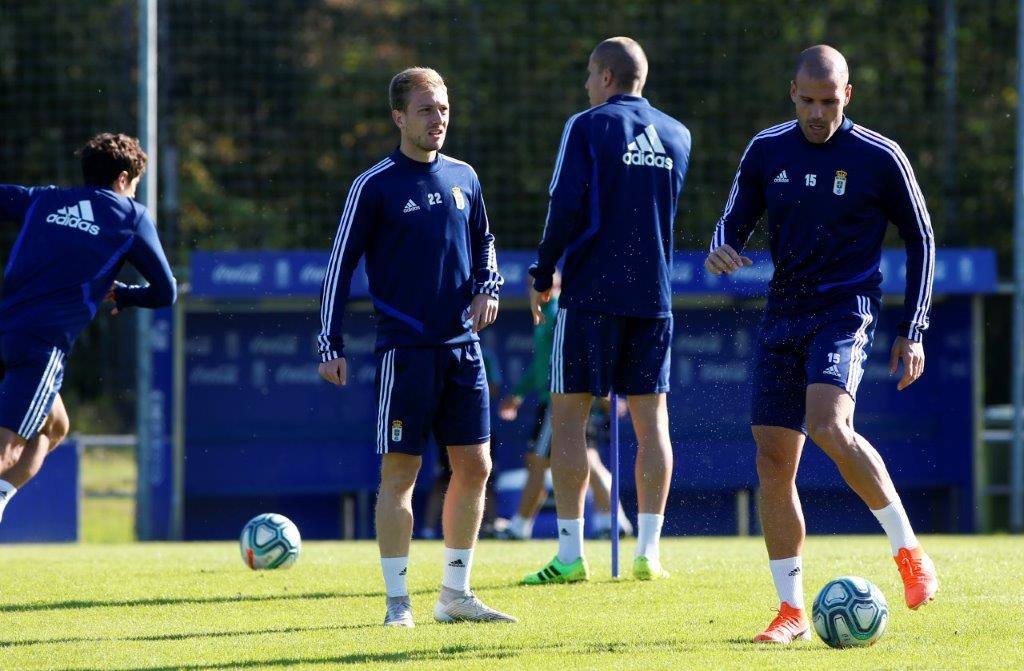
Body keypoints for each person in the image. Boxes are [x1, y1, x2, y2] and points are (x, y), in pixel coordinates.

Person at [705, 45, 938, 644]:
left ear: (848, 95)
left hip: (845, 309)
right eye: (807, 100)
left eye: (829, 101)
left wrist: (914, 330)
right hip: (784, 310)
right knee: (773, 459)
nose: (817, 112)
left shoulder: (879, 157)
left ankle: (908, 552)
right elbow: (732, 220)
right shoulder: (767, 150)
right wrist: (723, 247)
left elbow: (922, 238)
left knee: (829, 426)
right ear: (792, 92)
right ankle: (791, 613)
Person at [317, 67, 515, 627]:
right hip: (405, 352)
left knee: (475, 467)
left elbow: (486, 243)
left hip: (463, 348)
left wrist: (488, 286)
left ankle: (455, 594)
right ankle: (397, 604)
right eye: (427, 109)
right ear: (399, 117)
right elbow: (340, 267)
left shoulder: (465, 177)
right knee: (401, 475)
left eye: (445, 109)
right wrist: (329, 340)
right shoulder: (374, 184)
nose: (439, 119)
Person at [523, 37, 691, 584]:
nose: (586, 85)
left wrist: (544, 271)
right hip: (654, 299)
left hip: (591, 295)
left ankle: (570, 556)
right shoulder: (678, 135)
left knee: (568, 419)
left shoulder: (587, 125)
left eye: (589, 75)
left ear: (606, 76)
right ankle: (649, 554)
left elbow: (565, 203)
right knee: (653, 423)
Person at [0, 133, 176, 523]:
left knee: (56, 426)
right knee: (8, 451)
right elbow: (166, 292)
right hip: (40, 347)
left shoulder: (43, 200)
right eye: (133, 187)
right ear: (123, 179)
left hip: (6, 329)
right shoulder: (131, 217)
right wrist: (127, 296)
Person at [498, 274, 632, 540]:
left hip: (560, 403)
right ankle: (614, 521)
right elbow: (542, 364)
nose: (530, 291)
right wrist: (519, 394)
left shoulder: (558, 313)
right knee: (587, 461)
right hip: (563, 399)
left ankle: (520, 526)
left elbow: (586, 352)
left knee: (537, 462)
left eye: (534, 285)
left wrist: (602, 390)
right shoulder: (547, 313)